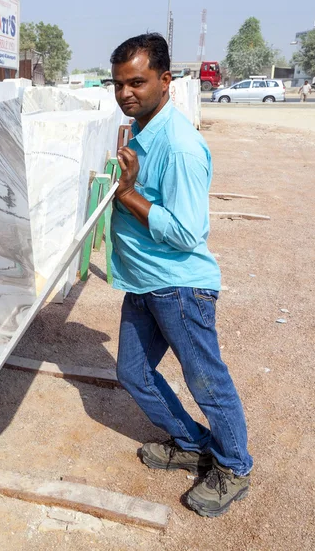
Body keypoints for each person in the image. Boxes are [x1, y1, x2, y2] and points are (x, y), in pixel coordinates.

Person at [108, 33, 253, 518]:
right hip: (146, 282)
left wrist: (127, 195)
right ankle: (192, 444)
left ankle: (233, 465)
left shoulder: (180, 147)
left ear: (165, 81)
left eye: (137, 82)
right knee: (133, 372)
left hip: (179, 286)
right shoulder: (142, 131)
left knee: (206, 381)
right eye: (119, 84)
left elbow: (188, 232)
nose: (126, 93)